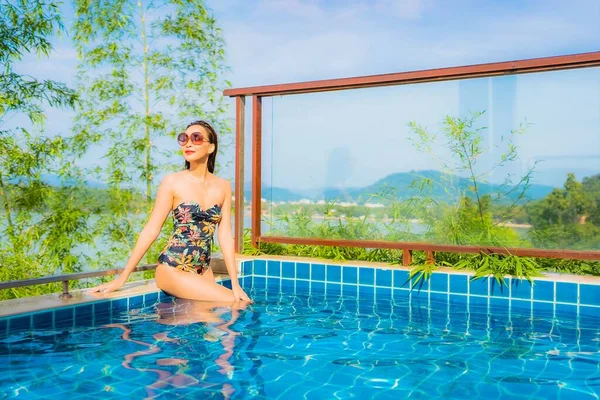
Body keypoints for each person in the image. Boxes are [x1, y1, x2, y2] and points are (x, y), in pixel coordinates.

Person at [88, 120, 251, 303]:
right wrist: (123, 277)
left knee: (208, 322)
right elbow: (151, 230)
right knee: (234, 303)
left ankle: (164, 330)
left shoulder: (223, 187)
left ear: (211, 147)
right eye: (184, 138)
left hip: (203, 269)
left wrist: (235, 284)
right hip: (173, 267)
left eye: (196, 138)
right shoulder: (172, 182)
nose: (188, 143)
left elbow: (225, 236)